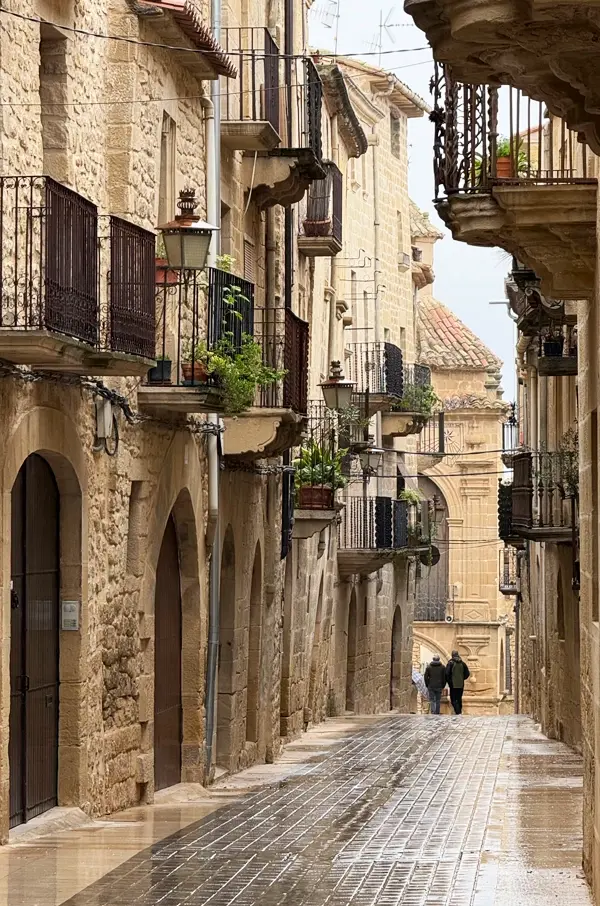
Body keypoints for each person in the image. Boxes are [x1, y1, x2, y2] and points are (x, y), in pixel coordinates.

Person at [446, 649, 470, 715]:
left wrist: (450, 682)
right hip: (461, 684)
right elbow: (467, 674)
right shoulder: (463, 663)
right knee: (459, 698)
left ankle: (458, 712)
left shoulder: (450, 663)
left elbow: (447, 674)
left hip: (453, 685)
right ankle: (459, 711)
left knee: (453, 699)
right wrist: (462, 679)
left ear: (452, 655)